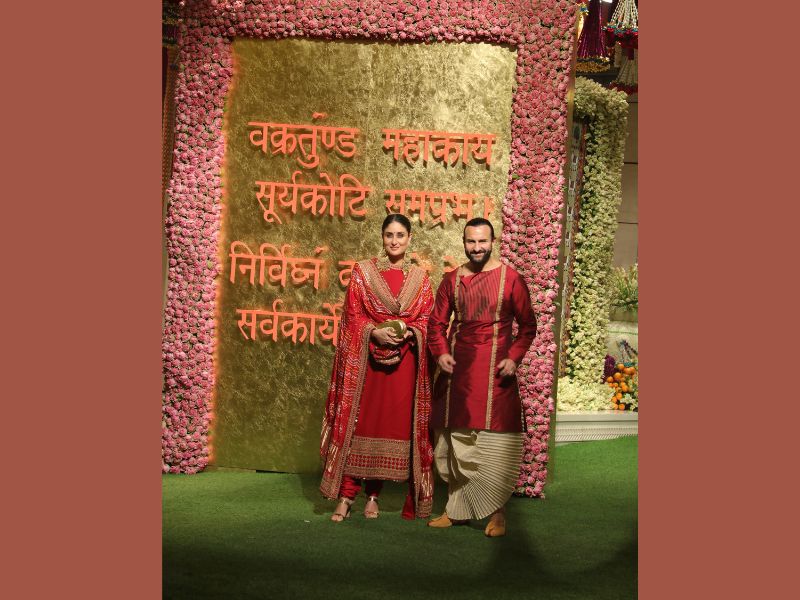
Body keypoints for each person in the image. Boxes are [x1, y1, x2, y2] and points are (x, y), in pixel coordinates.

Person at [320, 214, 435, 522]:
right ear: (382, 238)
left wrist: (410, 333)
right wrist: (374, 332)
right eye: (389, 235)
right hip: (367, 362)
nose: (394, 241)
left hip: (405, 363)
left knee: (389, 425)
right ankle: (346, 496)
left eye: (400, 235)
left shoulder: (421, 279)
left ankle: (373, 496)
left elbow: (427, 319)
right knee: (361, 423)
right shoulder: (364, 272)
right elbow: (352, 316)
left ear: (409, 238)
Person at [426, 218, 537, 537]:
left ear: (493, 241)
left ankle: (497, 514)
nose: (476, 248)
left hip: (495, 374)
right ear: (464, 242)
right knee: (453, 442)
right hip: (457, 373)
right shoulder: (451, 280)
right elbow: (436, 325)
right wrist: (441, 353)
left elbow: (528, 326)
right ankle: (456, 510)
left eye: (482, 242)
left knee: (491, 445)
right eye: (471, 242)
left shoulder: (511, 279)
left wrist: (514, 358)